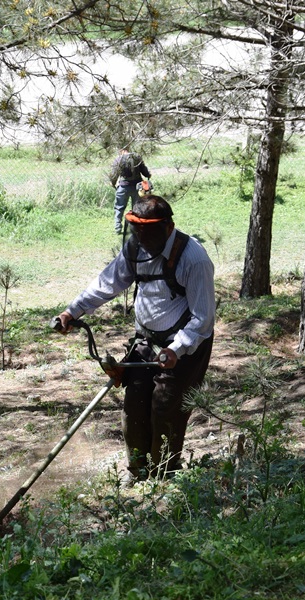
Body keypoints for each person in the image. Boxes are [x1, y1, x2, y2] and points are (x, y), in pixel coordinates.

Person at [56, 195, 215, 480]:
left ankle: (163, 474)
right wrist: (72, 311)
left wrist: (177, 349)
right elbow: (108, 283)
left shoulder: (193, 259)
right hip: (146, 341)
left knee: (165, 409)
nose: (143, 239)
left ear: (168, 227)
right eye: (138, 231)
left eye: (149, 232)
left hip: (186, 346)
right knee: (134, 405)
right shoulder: (135, 248)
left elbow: (203, 319)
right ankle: (138, 472)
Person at [109, 149, 152, 235]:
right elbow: (145, 172)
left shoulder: (118, 159)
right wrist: (148, 175)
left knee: (119, 207)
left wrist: (113, 184)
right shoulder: (137, 157)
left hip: (123, 187)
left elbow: (114, 175)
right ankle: (136, 227)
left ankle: (118, 228)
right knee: (137, 208)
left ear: (121, 150)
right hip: (137, 187)